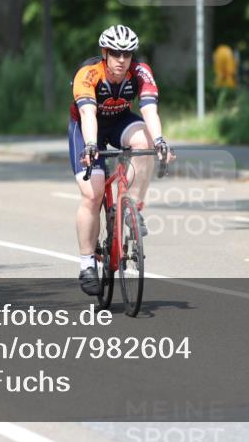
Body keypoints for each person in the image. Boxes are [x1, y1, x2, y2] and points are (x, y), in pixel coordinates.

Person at [68, 24, 171, 296]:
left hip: (120, 121)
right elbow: (88, 115)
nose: (121, 60)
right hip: (88, 128)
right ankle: (87, 263)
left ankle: (132, 207)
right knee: (93, 194)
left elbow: (149, 110)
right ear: (105, 53)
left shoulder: (140, 72)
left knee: (144, 142)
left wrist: (160, 141)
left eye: (127, 54)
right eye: (115, 54)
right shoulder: (89, 74)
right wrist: (91, 146)